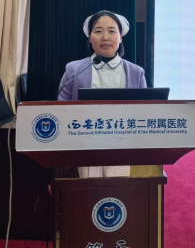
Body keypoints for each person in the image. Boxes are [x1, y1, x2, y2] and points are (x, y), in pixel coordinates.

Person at [57, 10, 147, 178]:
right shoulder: (74, 69)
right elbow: (62, 108)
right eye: (98, 31)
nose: (105, 37)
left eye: (112, 31)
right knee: (88, 188)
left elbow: (145, 111)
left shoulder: (136, 72)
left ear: (120, 37)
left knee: (118, 188)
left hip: (122, 144)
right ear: (90, 38)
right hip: (85, 144)